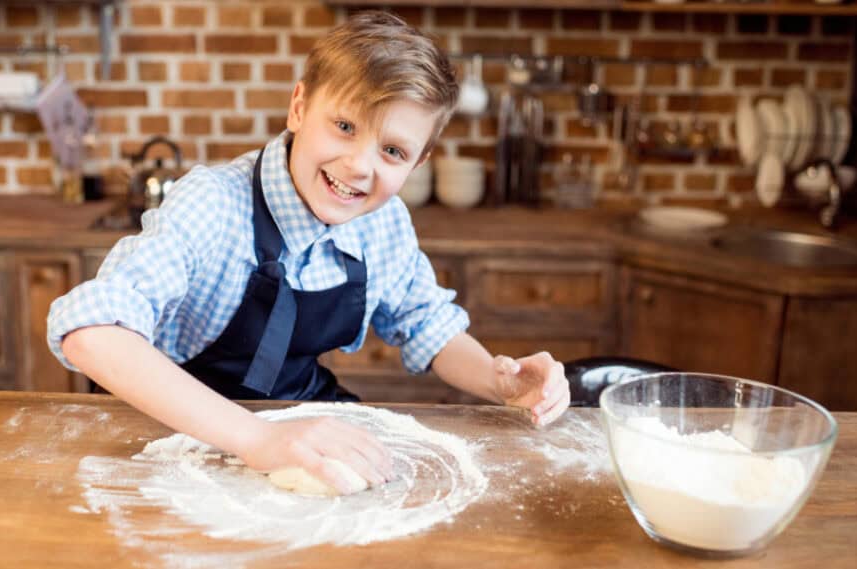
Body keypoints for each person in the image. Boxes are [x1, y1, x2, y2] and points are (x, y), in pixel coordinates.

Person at [48, 11, 570, 495]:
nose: (359, 167)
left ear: (418, 162)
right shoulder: (212, 205)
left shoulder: (383, 222)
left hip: (298, 415)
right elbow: (92, 335)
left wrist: (502, 382)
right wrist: (256, 439)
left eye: (392, 151)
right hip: (170, 428)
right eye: (344, 126)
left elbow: (426, 322)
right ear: (299, 107)